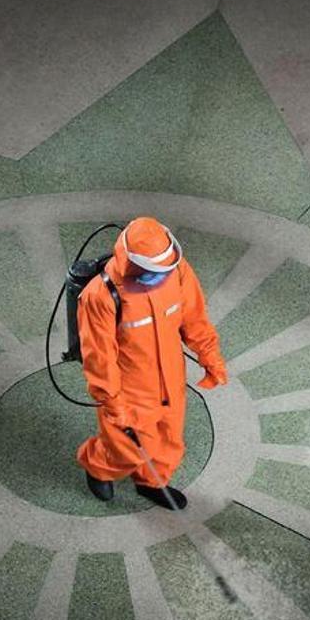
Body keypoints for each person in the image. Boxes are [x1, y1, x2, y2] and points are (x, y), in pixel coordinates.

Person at [76, 217, 227, 510]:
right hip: (130, 389)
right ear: (130, 263)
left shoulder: (177, 271)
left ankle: (151, 482)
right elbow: (99, 357)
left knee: (169, 439)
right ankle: (98, 466)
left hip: (170, 376)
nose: (161, 276)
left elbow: (194, 318)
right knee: (125, 447)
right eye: (152, 271)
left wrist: (210, 356)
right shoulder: (101, 296)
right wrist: (112, 402)